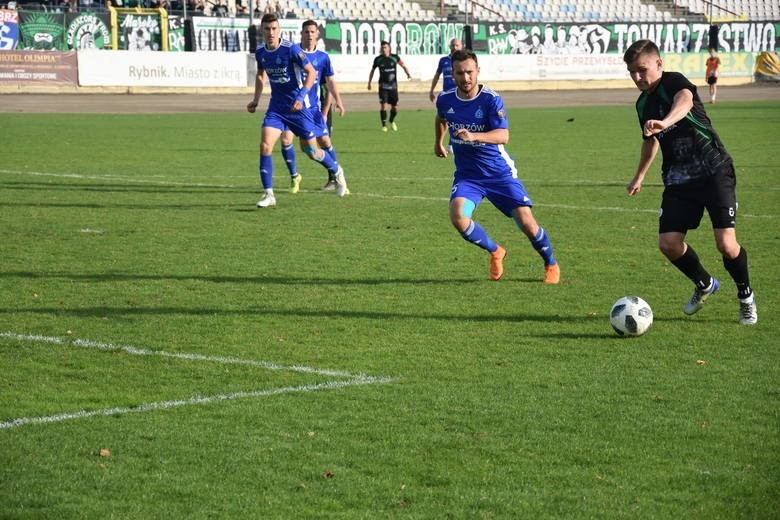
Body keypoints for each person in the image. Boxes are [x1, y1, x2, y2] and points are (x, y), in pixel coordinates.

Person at [623, 39, 756, 324]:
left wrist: (666, 121)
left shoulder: (673, 82)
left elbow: (685, 101)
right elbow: (650, 141)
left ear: (659, 64)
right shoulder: (642, 104)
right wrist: (640, 175)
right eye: (632, 71)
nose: (637, 77)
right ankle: (705, 283)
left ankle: (746, 296)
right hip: (678, 179)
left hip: (713, 171)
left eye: (642, 70)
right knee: (669, 244)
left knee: (726, 245)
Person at [434, 49, 560, 284]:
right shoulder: (445, 98)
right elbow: (442, 118)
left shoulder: (491, 99)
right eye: (460, 73)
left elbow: (503, 135)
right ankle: (495, 251)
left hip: (498, 173)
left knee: (527, 224)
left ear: (478, 71)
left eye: (470, 72)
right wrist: (438, 142)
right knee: (458, 217)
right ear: (453, 73)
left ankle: (550, 263)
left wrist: (475, 136)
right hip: (468, 176)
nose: (465, 78)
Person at [247, 13, 348, 208]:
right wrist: (256, 100)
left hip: (298, 109)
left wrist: (301, 97)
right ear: (262, 31)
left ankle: (336, 170)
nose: (271, 33)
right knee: (265, 146)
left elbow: (311, 72)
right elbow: (261, 76)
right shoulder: (260, 52)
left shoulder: (291, 49)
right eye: (267, 29)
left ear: (279, 30)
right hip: (276, 109)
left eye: (274, 29)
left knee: (310, 150)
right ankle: (269, 194)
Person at [277, 20, 346, 194]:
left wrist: (337, 101)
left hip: (312, 110)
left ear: (317, 34)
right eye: (306, 32)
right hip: (291, 107)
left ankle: (335, 176)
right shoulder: (292, 52)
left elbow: (329, 82)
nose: (309, 35)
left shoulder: (322, 58)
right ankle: (294, 177)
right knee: (286, 140)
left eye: (312, 32)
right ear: (301, 33)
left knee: (322, 143)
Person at [367, 41, 412, 132]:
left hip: (393, 87)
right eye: (382, 48)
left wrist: (408, 74)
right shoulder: (378, 59)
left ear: (389, 48)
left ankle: (391, 121)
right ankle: (384, 125)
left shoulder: (394, 57)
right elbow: (372, 71)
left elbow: (403, 65)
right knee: (383, 106)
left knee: (394, 107)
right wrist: (369, 82)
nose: (383, 49)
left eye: (385, 47)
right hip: (383, 86)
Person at [429, 37, 462, 102]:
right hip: (447, 93)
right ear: (450, 47)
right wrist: (431, 90)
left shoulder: (464, 60)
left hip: (460, 93)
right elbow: (437, 76)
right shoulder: (443, 60)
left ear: (461, 46)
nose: (455, 47)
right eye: (453, 45)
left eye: (457, 45)